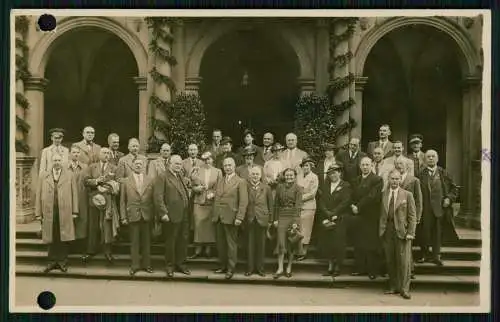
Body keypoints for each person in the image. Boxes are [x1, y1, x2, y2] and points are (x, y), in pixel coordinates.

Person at [35, 153, 79, 273]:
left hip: (65, 211)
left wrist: (75, 211)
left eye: (59, 160)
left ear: (62, 161)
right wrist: (38, 213)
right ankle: (51, 262)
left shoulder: (69, 175)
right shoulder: (44, 175)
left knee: (63, 237)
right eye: (54, 160)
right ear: (51, 161)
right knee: (51, 236)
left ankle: (62, 262)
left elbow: (74, 194)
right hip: (49, 211)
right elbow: (38, 194)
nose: (57, 162)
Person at [379, 169, 417, 300]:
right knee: (390, 260)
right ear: (388, 180)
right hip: (387, 231)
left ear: (400, 180)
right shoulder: (384, 194)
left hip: (402, 232)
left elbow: (412, 215)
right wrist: (381, 230)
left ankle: (404, 289)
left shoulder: (407, 195)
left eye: (397, 179)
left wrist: (411, 232)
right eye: (392, 179)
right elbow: (381, 214)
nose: (394, 181)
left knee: (404, 262)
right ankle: (393, 286)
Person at [417, 150, 459, 266]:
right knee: (424, 232)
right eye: (428, 157)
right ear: (425, 159)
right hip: (425, 209)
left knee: (437, 232)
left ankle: (436, 255)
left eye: (433, 156)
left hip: (439, 208)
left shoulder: (443, 173)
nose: (430, 158)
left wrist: (449, 199)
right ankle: (424, 254)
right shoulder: (420, 174)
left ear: (437, 158)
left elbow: (454, 189)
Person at [154, 155, 191, 278]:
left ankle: (181, 264)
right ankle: (170, 266)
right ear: (169, 164)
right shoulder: (162, 176)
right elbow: (158, 197)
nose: (179, 166)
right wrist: (163, 213)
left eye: (180, 164)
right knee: (171, 241)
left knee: (183, 240)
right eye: (176, 164)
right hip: (170, 215)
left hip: (184, 214)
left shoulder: (180, 175)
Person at [82, 148, 120, 264]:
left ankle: (107, 251)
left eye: (108, 153)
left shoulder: (114, 168)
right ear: (99, 154)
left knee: (107, 226)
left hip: (108, 201)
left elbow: (117, 183)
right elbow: (85, 181)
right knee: (93, 225)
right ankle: (91, 251)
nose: (107, 155)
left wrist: (110, 187)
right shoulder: (92, 167)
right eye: (104, 153)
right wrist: (97, 181)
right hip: (94, 200)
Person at [212, 157, 248, 280]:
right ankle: (223, 265)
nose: (227, 167)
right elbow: (217, 197)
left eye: (229, 165)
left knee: (231, 244)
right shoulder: (220, 180)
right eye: (225, 165)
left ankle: (231, 268)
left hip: (232, 218)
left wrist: (240, 217)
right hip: (219, 217)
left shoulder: (240, 181)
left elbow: (243, 202)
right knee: (221, 244)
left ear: (234, 166)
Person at [120, 158, 154, 276]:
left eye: (140, 164)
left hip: (146, 214)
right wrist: (123, 217)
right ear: (132, 166)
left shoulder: (149, 180)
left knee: (146, 241)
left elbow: (153, 199)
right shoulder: (126, 181)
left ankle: (147, 265)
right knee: (134, 242)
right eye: (136, 164)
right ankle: (134, 265)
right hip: (132, 214)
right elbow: (122, 201)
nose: (138, 166)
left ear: (144, 166)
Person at [350, 157, 383, 279]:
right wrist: (353, 205)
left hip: (371, 216)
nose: (365, 167)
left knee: (371, 244)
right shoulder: (356, 180)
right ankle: (360, 269)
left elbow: (372, 196)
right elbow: (351, 195)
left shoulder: (377, 179)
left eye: (367, 165)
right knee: (359, 242)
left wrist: (358, 206)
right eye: (363, 165)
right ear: (360, 166)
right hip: (358, 215)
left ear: (371, 165)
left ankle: (372, 270)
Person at [318, 163, 351, 276]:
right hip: (327, 218)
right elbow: (321, 201)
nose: (333, 175)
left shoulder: (345, 185)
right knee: (328, 242)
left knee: (338, 242)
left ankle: (338, 266)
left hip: (340, 217)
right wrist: (327, 213)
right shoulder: (325, 186)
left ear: (340, 173)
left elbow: (346, 202)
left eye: (335, 172)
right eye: (330, 173)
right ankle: (330, 264)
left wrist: (335, 213)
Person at [189, 151, 222, 259]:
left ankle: (208, 249)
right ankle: (198, 249)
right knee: (198, 225)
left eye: (209, 159)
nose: (207, 161)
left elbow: (221, 187)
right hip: (199, 201)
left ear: (212, 160)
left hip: (211, 202)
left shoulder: (218, 171)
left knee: (210, 226)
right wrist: (196, 189)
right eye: (204, 159)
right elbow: (192, 186)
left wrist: (213, 194)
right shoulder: (197, 170)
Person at [272, 168, 303, 279]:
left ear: (295, 177)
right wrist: (275, 219)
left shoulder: (298, 189)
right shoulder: (279, 187)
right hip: (281, 216)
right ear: (284, 176)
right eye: (287, 175)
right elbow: (275, 204)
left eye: (291, 175)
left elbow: (298, 206)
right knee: (281, 243)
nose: (289, 177)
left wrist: (295, 222)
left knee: (291, 243)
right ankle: (280, 268)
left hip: (293, 217)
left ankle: (289, 267)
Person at [395, 158, 423, 279]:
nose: (399, 166)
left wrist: (417, 217)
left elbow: (419, 200)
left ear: (407, 166)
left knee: (407, 247)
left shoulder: (414, 180)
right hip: (396, 217)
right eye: (397, 164)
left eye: (401, 164)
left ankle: (409, 270)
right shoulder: (393, 179)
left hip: (408, 217)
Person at [244, 166, 274, 276]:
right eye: (253, 174)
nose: (255, 176)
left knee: (261, 245)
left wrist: (270, 220)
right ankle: (250, 269)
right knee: (250, 245)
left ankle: (260, 269)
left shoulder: (266, 188)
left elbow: (271, 205)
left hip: (262, 219)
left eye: (257, 174)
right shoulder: (246, 187)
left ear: (260, 176)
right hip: (250, 218)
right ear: (249, 175)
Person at [67, 144, 89, 249]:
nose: (76, 154)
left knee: (82, 219)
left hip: (82, 197)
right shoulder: (65, 167)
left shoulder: (85, 167)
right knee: (69, 220)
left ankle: (80, 246)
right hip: (68, 197)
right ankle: (69, 245)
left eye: (77, 152)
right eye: (73, 152)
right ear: (69, 154)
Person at [296, 157, 319, 260]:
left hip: (309, 206)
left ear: (310, 167)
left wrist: (299, 198)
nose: (305, 168)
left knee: (306, 229)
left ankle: (304, 251)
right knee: (299, 229)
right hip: (298, 207)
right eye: (303, 166)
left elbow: (312, 194)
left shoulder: (314, 177)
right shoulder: (298, 176)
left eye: (307, 166)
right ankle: (298, 250)